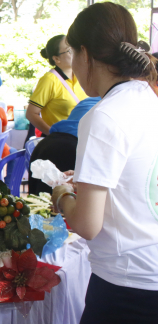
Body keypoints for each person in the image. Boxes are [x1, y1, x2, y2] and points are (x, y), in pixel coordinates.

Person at [51, 3, 158, 323]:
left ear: (84, 54)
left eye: (71, 55)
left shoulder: (103, 116)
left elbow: (86, 225)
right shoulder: (147, 97)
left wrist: (62, 195)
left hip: (126, 286)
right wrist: (86, 179)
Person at [28, 96, 100, 195]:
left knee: (39, 202)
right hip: (69, 149)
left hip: (48, 142)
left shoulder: (92, 100)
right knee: (52, 203)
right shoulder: (114, 104)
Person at [26, 35, 87, 136]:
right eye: (69, 50)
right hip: (63, 143)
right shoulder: (49, 80)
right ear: (56, 59)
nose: (75, 51)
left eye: (74, 47)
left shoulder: (81, 75)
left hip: (81, 138)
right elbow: (31, 114)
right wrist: (53, 134)